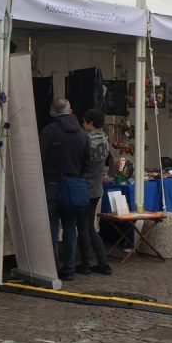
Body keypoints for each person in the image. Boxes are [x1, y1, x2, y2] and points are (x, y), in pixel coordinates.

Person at [40, 98, 90, 282]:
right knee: (70, 227)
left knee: (52, 228)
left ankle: (51, 267)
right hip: (74, 183)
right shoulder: (82, 134)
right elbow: (87, 162)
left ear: (51, 112)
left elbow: (40, 157)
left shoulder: (49, 131)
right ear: (70, 111)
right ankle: (69, 268)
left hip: (52, 183)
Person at [77, 109, 112, 275]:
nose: (83, 124)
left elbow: (80, 163)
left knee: (83, 227)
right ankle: (103, 262)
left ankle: (86, 263)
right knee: (90, 226)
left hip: (83, 187)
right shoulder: (105, 139)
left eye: (84, 121)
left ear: (90, 122)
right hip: (97, 188)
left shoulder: (85, 139)